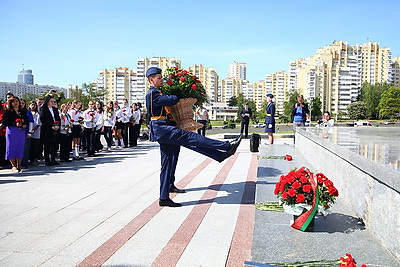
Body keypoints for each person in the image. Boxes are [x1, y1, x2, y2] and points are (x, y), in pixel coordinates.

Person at [145, 67, 242, 207]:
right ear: (151, 80)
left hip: (166, 127)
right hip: (162, 129)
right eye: (159, 78)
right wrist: (175, 95)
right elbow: (172, 100)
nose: (162, 80)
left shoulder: (158, 92)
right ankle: (226, 146)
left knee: (170, 160)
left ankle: (166, 192)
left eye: (161, 77)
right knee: (191, 138)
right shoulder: (153, 94)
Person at [2, 96, 29, 173]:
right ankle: (13, 165)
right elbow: (4, 122)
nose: (16, 103)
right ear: (11, 103)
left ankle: (19, 164)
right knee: (11, 147)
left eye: (17, 101)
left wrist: (24, 124)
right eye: (14, 101)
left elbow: (26, 121)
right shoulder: (8, 111)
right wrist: (14, 123)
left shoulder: (22, 111)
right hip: (11, 131)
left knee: (20, 147)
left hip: (20, 131)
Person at [39, 95, 61, 166]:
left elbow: (58, 118)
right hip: (47, 129)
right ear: (47, 101)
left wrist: (57, 125)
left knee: (54, 145)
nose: (53, 102)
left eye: (54, 101)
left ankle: (53, 159)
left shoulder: (55, 109)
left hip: (55, 129)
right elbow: (43, 119)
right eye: (51, 101)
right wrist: (51, 125)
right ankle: (47, 160)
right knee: (47, 145)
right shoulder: (44, 109)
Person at [28, 100, 42, 165]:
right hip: (28, 131)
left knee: (35, 145)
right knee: (30, 146)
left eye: (34, 105)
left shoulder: (37, 114)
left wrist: (33, 130)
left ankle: (34, 158)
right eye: (32, 105)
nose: (33, 106)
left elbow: (38, 123)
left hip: (36, 132)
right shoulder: (28, 113)